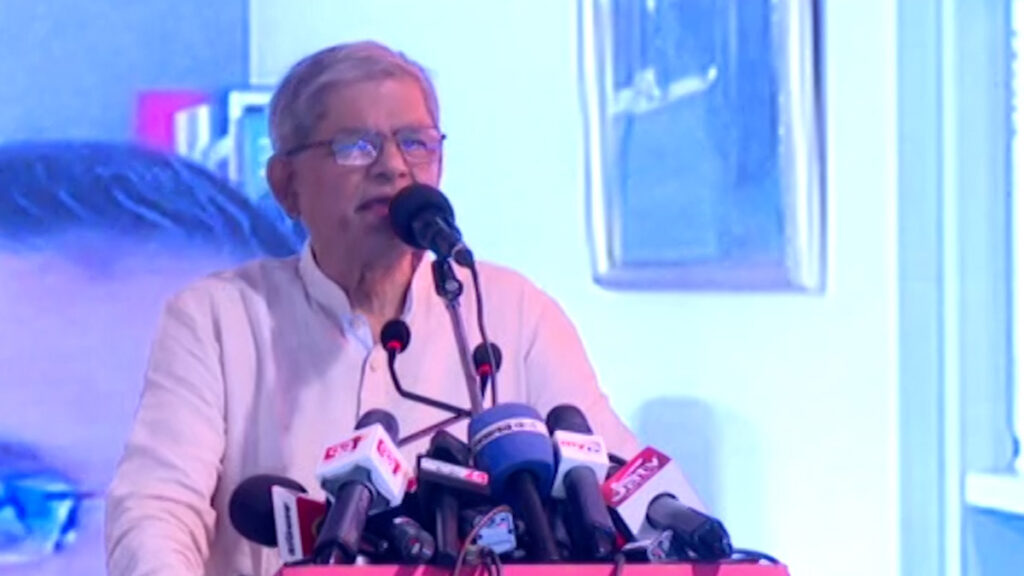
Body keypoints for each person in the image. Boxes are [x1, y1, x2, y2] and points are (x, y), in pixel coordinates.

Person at [105, 40, 702, 576]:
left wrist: (690, 534)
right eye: (355, 146)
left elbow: (624, 481)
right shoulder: (217, 319)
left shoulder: (511, 311)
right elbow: (158, 508)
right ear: (286, 184)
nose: (393, 167)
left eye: (415, 143)